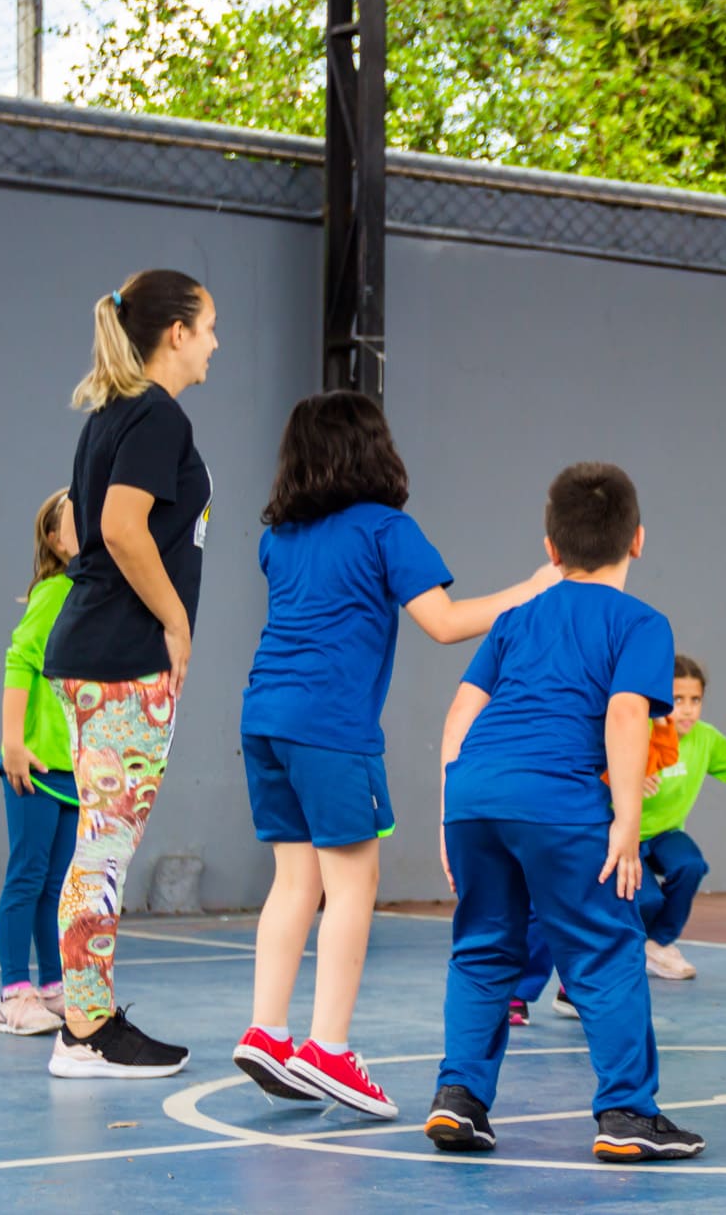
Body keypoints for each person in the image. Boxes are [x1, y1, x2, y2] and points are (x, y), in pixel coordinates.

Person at [230, 391, 557, 1118]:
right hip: (331, 725)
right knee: (351, 884)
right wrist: (530, 591)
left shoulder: (277, 537)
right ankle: (329, 1048)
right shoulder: (387, 529)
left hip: (264, 717)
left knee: (294, 880)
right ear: (372, 449)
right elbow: (443, 622)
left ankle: (267, 1027)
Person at [425, 462, 704, 1162]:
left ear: (549, 547)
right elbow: (625, 712)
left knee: (484, 944)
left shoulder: (517, 617)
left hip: (475, 792)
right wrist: (628, 824)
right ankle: (628, 1115)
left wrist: (446, 816)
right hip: (557, 795)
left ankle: (459, 1101)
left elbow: (461, 712)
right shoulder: (641, 621)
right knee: (606, 947)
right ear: (636, 540)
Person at [41, 269, 218, 1079]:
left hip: (94, 651)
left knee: (98, 843)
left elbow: (87, 527)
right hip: (122, 658)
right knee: (105, 848)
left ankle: (87, 1014)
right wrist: (176, 621)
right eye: (209, 327)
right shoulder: (155, 415)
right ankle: (86, 1029)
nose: (215, 342)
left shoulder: (116, 414)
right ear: (175, 333)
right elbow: (115, 526)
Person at [0, 489, 80, 1036]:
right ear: (54, 538)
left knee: (58, 884)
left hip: (69, 769)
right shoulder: (53, 592)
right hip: (33, 765)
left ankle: (51, 986)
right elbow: (19, 658)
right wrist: (11, 743)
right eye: (74, 516)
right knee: (27, 877)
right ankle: (11, 994)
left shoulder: (87, 592)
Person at [637, 656, 726, 980]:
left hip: (666, 832)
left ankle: (658, 944)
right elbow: (599, 776)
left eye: (695, 700)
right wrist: (629, 782)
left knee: (690, 864)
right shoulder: (639, 730)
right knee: (649, 899)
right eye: (677, 699)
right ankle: (631, 949)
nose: (687, 709)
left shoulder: (705, 738)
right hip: (625, 834)